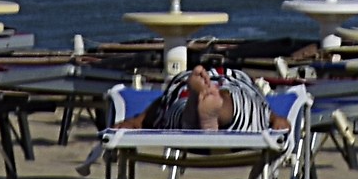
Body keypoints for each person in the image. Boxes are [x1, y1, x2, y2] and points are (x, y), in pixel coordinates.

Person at [122, 64, 288, 132]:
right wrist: (276, 119)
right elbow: (263, 106)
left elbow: (159, 105)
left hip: (183, 91)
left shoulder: (188, 81)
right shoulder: (244, 82)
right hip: (237, 85)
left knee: (173, 104)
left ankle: (193, 106)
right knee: (238, 101)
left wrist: (136, 121)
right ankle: (219, 105)